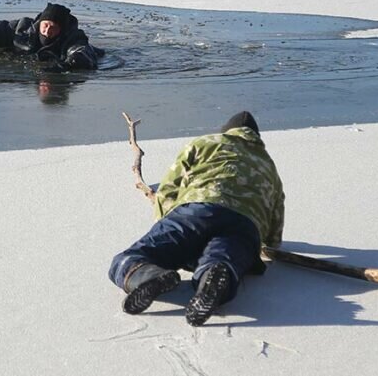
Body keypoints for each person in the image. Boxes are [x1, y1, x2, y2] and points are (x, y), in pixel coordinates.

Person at [108, 111, 285, 326]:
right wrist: (265, 244)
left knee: (129, 259)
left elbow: (169, 187)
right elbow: (275, 225)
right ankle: (214, 275)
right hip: (245, 224)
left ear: (226, 130)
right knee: (225, 256)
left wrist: (164, 219)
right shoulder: (268, 164)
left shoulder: (205, 143)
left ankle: (146, 274)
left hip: (198, 209)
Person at [0, 2, 101, 70]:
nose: (47, 30)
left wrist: (66, 65)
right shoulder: (24, 28)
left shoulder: (73, 38)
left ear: (61, 29)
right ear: (40, 23)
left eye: (53, 27)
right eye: (45, 25)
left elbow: (80, 52)